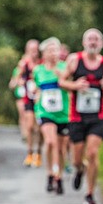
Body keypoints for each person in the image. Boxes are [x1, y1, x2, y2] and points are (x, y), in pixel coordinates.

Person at [60, 28, 103, 204]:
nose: (93, 42)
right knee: (77, 159)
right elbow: (62, 82)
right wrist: (75, 85)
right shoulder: (74, 60)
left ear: (101, 44)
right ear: (84, 42)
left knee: (93, 153)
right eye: (90, 39)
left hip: (98, 116)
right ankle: (79, 169)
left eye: (96, 39)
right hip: (77, 116)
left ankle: (90, 193)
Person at [33, 37, 71, 195]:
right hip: (45, 111)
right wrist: (37, 96)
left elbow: (72, 88)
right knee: (50, 142)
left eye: (56, 49)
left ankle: (59, 176)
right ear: (44, 53)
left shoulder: (65, 68)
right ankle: (50, 173)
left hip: (63, 114)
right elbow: (37, 87)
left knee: (62, 149)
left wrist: (62, 78)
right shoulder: (38, 70)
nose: (53, 53)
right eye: (50, 50)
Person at [12, 39, 43, 167]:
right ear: (27, 51)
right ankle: (30, 153)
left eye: (35, 50)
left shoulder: (42, 63)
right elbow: (14, 80)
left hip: (41, 99)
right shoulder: (23, 64)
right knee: (29, 126)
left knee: (40, 128)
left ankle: (39, 153)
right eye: (31, 50)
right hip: (28, 98)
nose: (33, 53)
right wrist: (18, 82)